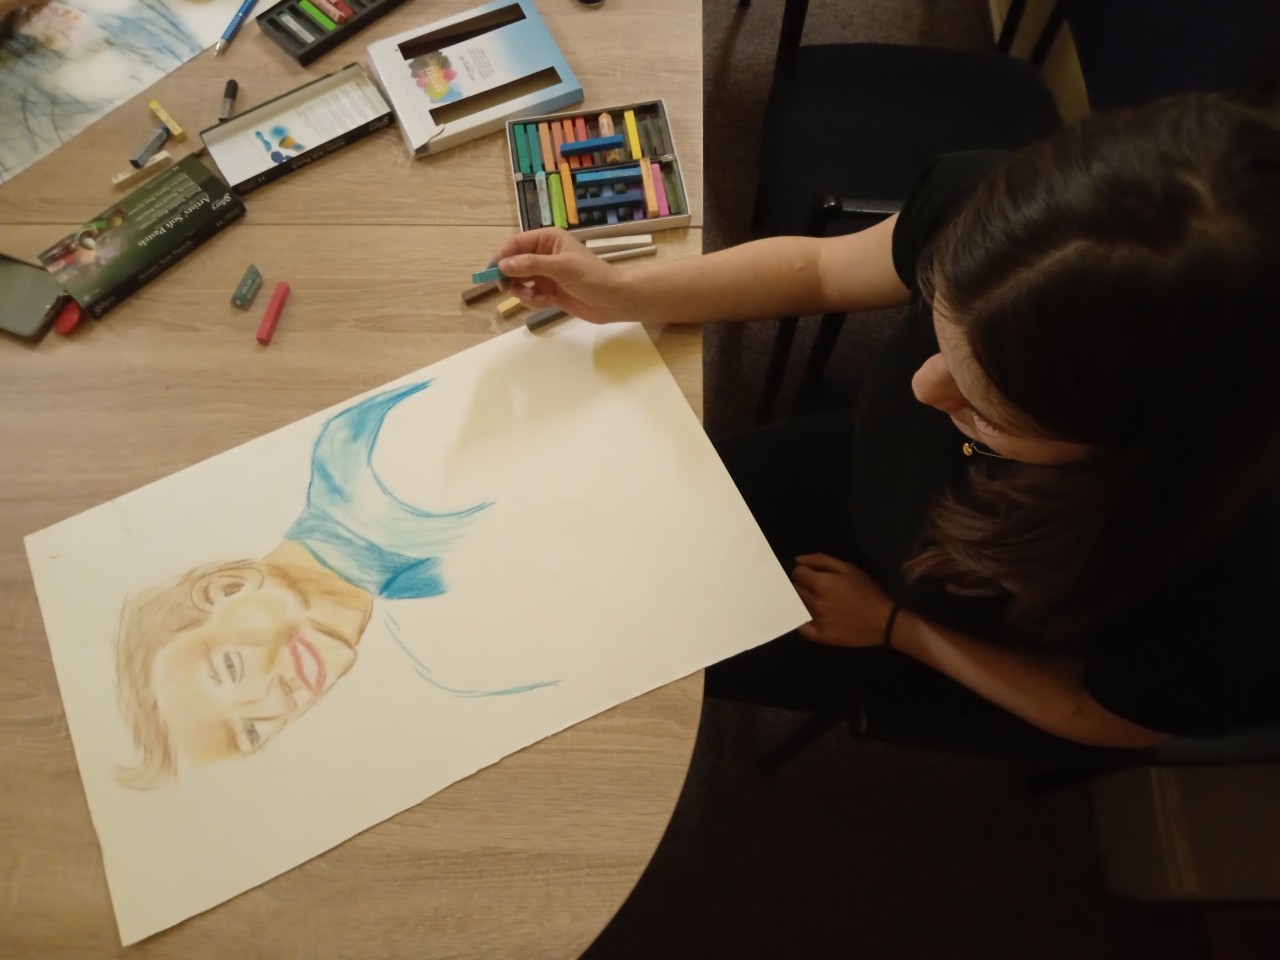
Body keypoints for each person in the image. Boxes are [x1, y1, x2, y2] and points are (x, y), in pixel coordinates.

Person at [490, 93, 1280, 758]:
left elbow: (1109, 714)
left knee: (632, 683)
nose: (921, 385)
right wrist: (628, 293)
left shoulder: (1218, 571)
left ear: (1141, 447)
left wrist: (901, 630)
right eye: (936, 327)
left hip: (932, 616)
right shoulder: (1016, 228)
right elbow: (822, 269)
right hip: (858, 471)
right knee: (595, 550)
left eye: (987, 406)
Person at [116, 382, 490, 787]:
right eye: (253, 732)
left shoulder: (378, 473)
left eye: (230, 667)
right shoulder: (417, 609)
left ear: (229, 588)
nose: (279, 701)